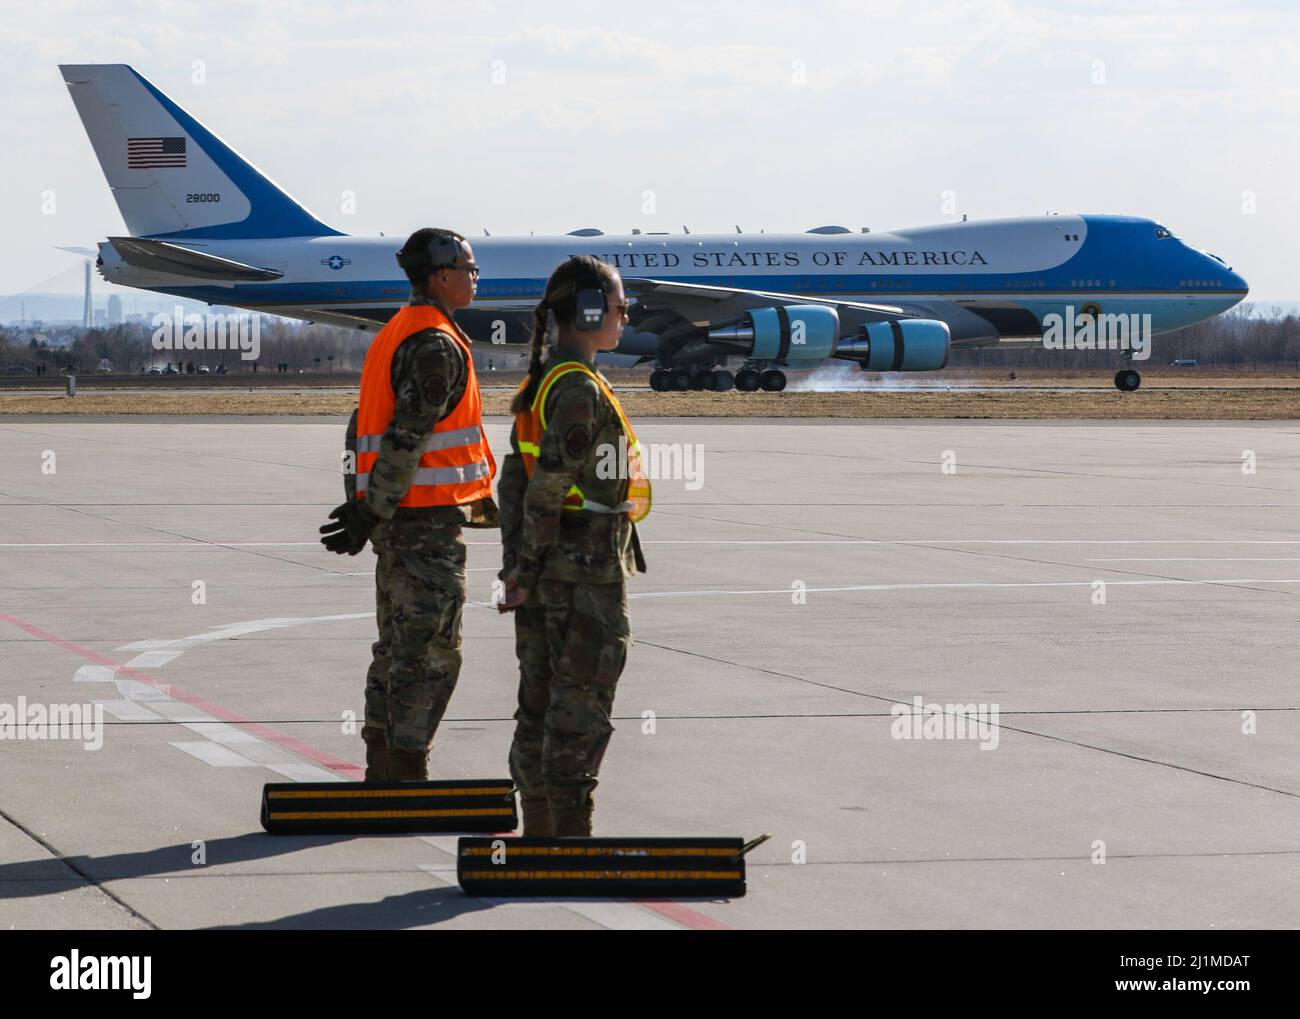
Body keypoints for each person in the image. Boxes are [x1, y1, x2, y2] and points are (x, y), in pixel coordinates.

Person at [320, 227, 498, 782]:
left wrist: (362, 505)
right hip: (423, 523)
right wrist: (370, 509)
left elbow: (360, 428)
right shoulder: (435, 344)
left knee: (396, 647)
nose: (474, 279)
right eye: (469, 270)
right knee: (430, 652)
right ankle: (405, 773)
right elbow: (406, 434)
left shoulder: (398, 330)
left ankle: (384, 765)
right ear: (440, 275)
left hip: (400, 519)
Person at [497, 256, 650, 836]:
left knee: (540, 699)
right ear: (587, 311)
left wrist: (518, 570)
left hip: (548, 570)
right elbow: (545, 490)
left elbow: (516, 486)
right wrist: (526, 572)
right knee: (581, 703)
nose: (624, 315)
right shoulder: (578, 389)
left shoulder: (548, 382)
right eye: (616, 306)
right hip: (581, 572)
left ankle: (540, 822)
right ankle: (566, 830)